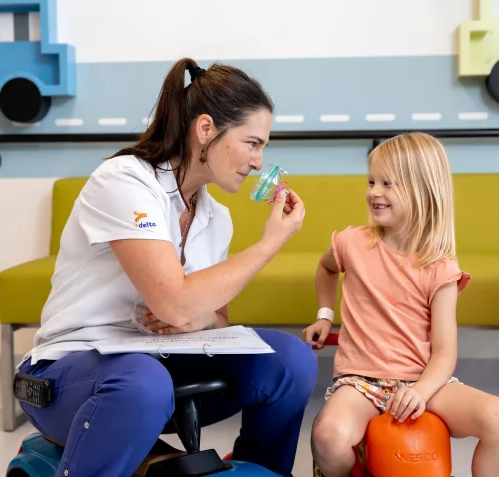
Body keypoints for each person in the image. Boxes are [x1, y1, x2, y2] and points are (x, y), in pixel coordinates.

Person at [16, 57, 318, 477]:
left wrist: (196, 322)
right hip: (70, 371)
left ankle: (258, 469)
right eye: (252, 143)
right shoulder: (125, 181)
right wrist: (270, 244)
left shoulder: (216, 218)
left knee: (292, 360)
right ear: (206, 129)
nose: (257, 161)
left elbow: (217, 319)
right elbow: (174, 303)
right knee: (143, 382)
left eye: (262, 147)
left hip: (157, 366)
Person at [303, 132, 499, 477]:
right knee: (328, 436)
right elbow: (325, 268)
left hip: (424, 383)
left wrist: (420, 390)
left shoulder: (440, 268)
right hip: (362, 383)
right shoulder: (351, 243)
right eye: (372, 181)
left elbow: (445, 353)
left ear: (422, 191)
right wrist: (325, 316)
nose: (374, 192)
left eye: (388, 183)